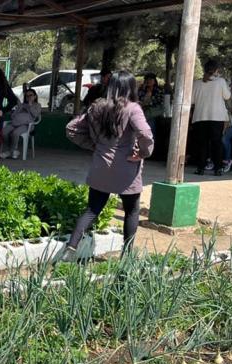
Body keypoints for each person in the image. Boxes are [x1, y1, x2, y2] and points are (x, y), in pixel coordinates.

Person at [64, 71, 154, 259]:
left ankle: (70, 248)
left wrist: (94, 145)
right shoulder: (133, 108)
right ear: (130, 87)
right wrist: (143, 153)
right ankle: (127, 255)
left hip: (100, 166)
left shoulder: (97, 107)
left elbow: (71, 128)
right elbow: (145, 134)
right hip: (126, 169)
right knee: (131, 211)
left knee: (92, 210)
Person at [191, 60, 231, 176]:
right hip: (216, 117)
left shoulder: (197, 83)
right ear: (217, 70)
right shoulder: (221, 82)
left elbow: (192, 100)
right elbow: (227, 96)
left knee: (202, 144)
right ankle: (218, 169)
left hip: (200, 117)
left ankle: (200, 168)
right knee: (216, 144)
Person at [1, 88, 41, 159]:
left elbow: (35, 115)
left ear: (35, 96)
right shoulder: (22, 105)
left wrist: (30, 105)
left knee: (15, 133)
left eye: (30, 95)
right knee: (4, 132)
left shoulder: (37, 105)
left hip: (26, 125)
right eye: (27, 96)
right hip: (15, 123)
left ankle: (10, 151)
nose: (28, 97)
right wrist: (19, 108)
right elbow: (13, 116)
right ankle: (12, 150)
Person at [137, 72, 164, 137]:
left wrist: (146, 102)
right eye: (147, 80)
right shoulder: (141, 90)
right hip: (142, 113)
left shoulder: (158, 90)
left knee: (151, 124)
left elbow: (159, 101)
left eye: (150, 79)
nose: (148, 81)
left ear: (154, 81)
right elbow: (138, 99)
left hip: (154, 114)